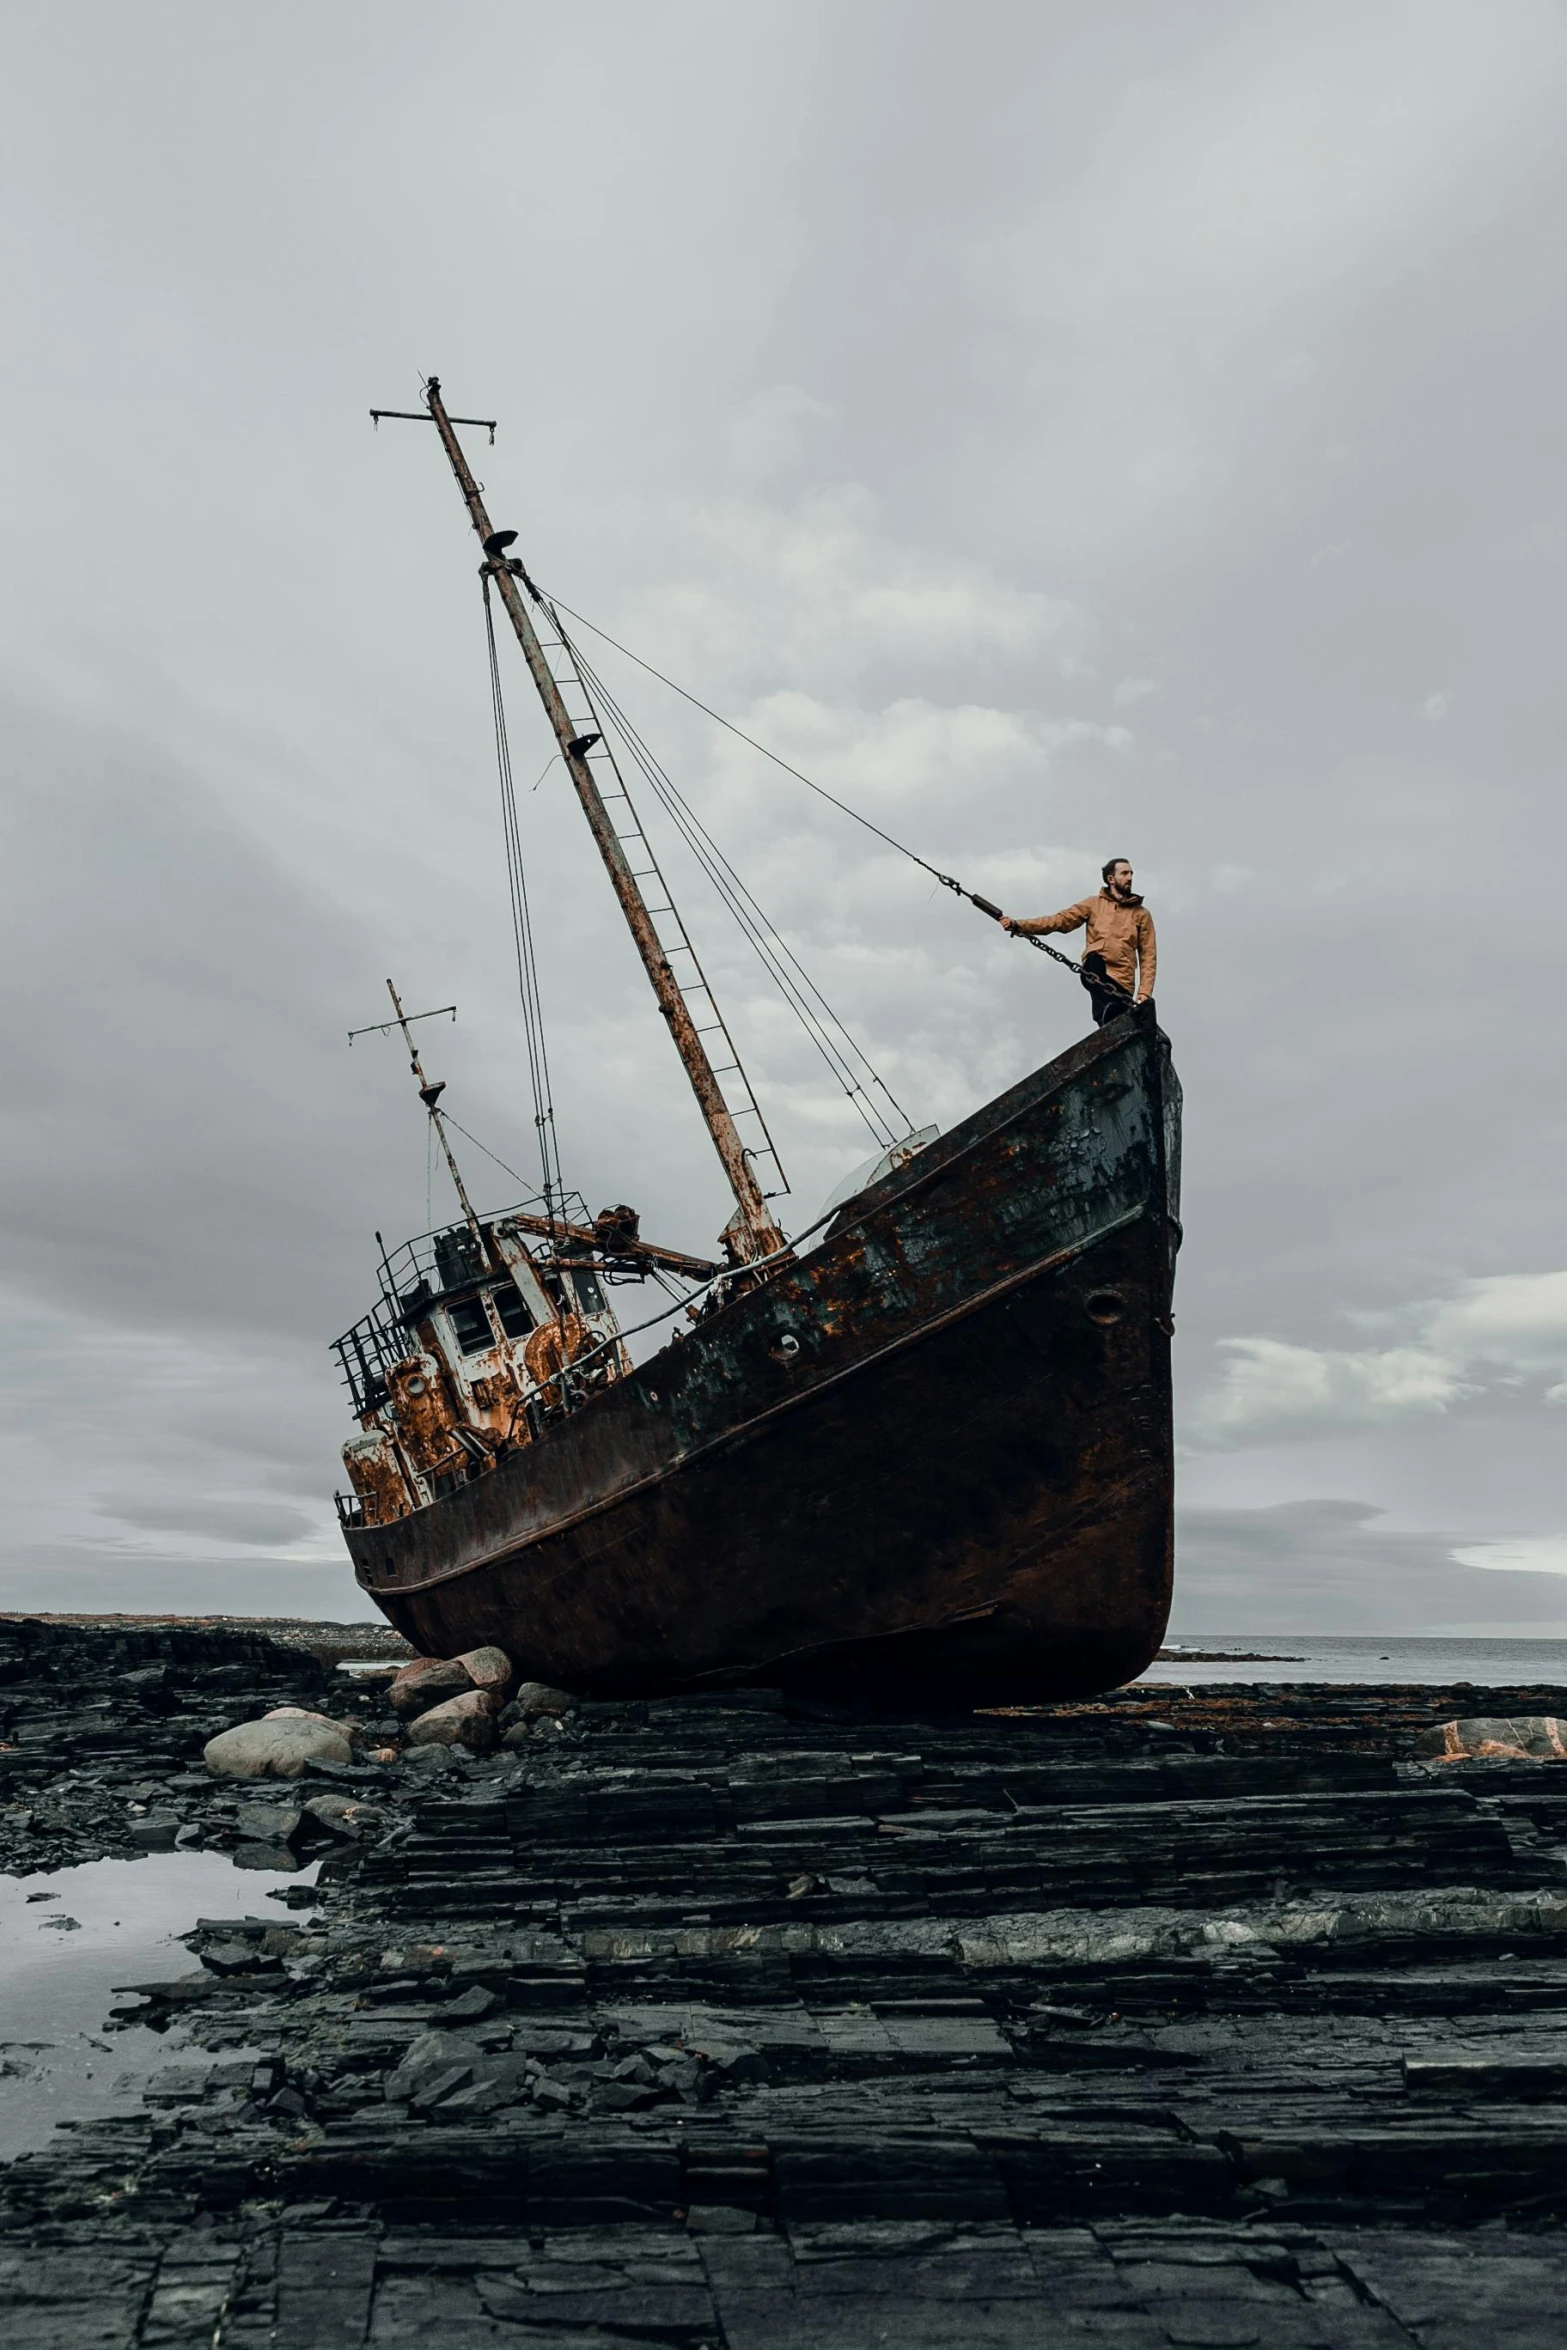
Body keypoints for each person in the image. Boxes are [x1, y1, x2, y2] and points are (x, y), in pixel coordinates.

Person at [1001, 858, 1156, 1025]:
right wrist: (1020, 925)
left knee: (1118, 1015)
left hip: (1123, 980)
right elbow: (1058, 921)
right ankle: (1105, 1017)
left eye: (1131, 873)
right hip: (1097, 971)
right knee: (1094, 963)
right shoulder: (1093, 904)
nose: (1130, 877)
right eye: (1124, 873)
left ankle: (1110, 1021)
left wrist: (1144, 993)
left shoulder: (1141, 914)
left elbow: (1149, 956)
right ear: (1111, 879)